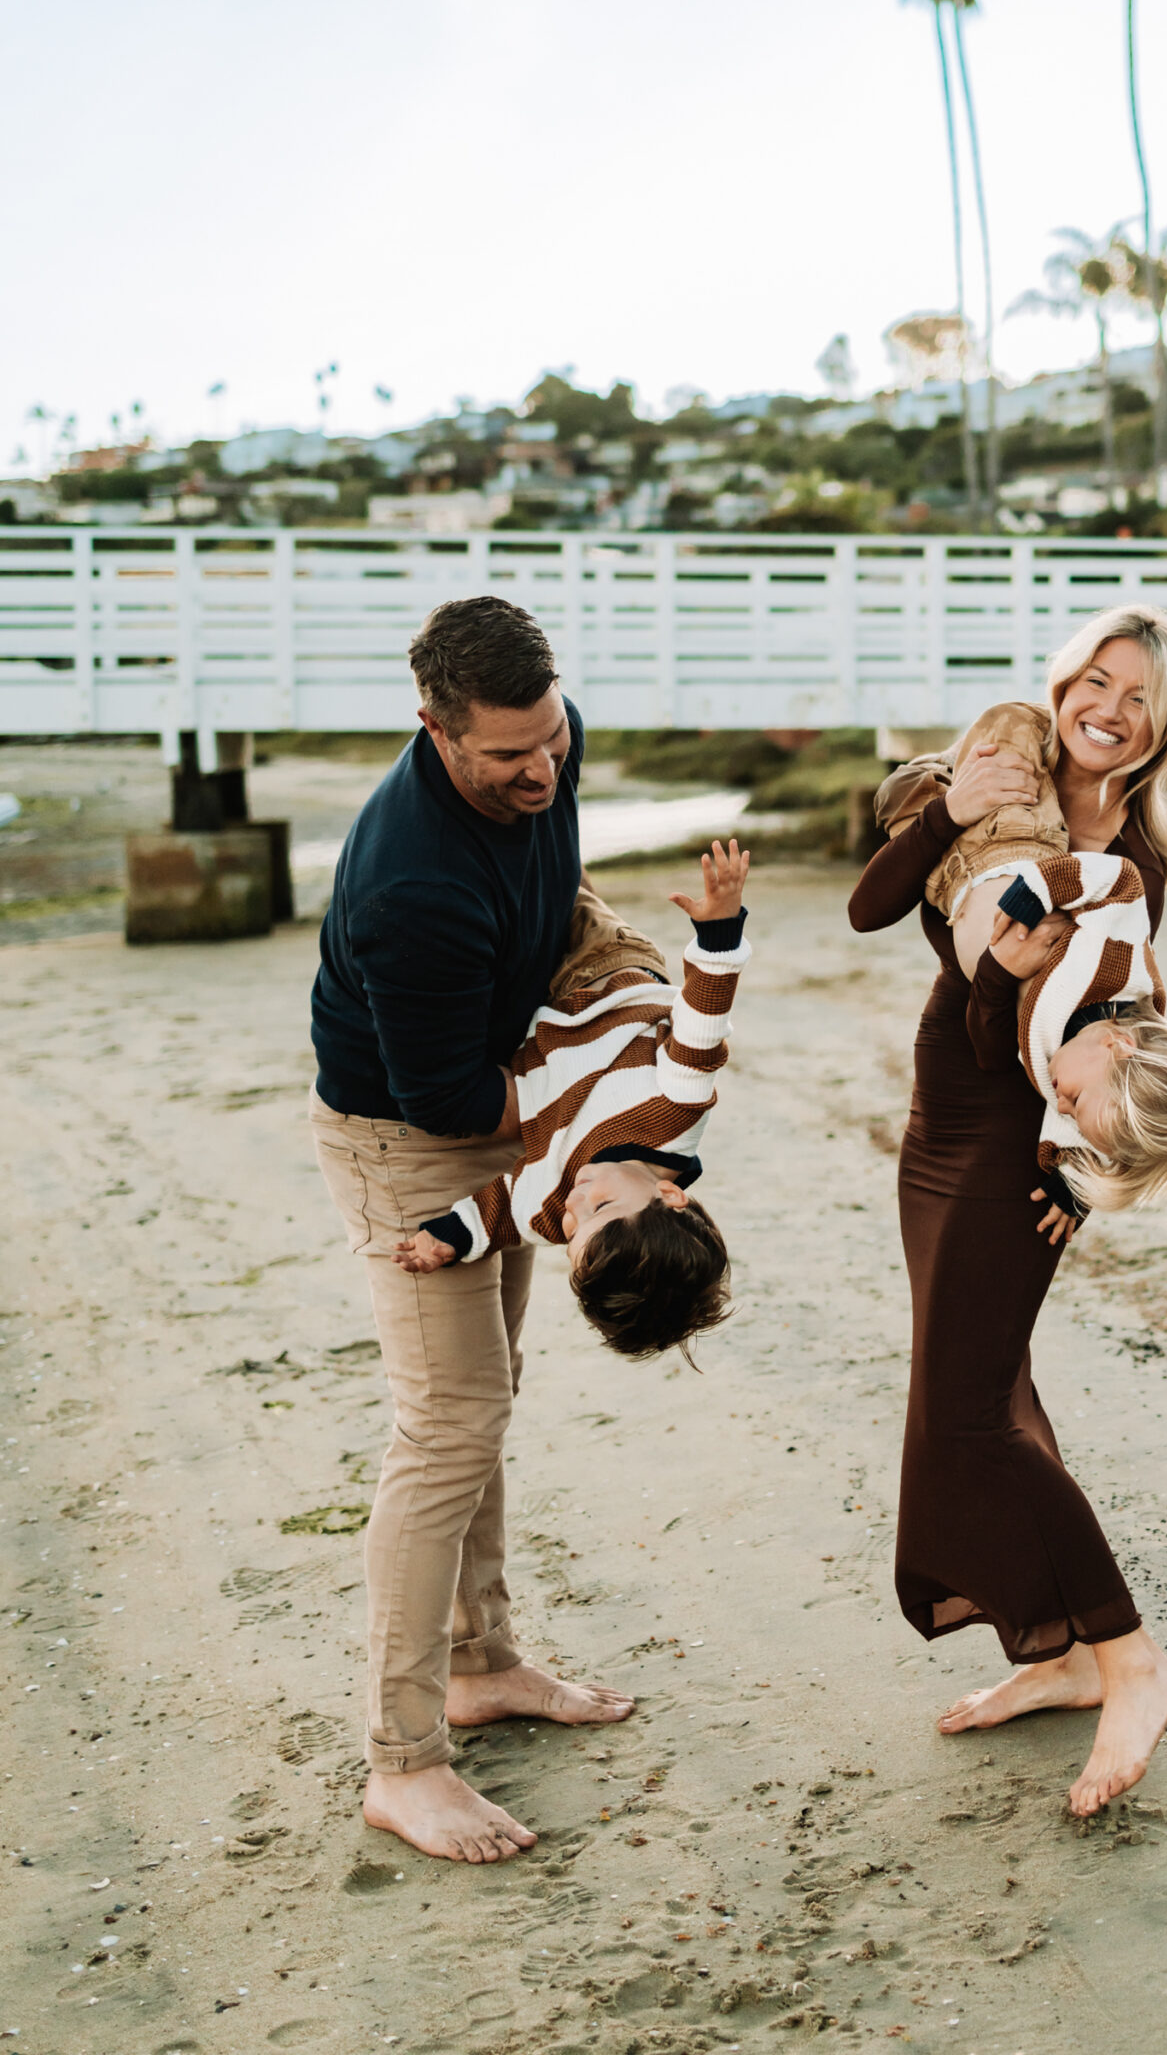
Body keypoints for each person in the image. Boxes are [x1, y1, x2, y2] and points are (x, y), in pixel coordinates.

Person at [847, 602, 1167, 1818]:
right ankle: (1059, 1652)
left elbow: (1121, 1036)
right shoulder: (999, 776)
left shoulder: (1138, 857)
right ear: (1062, 682)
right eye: (1095, 679)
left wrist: (1077, 1182)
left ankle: (1132, 1659)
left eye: (1139, 697)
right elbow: (872, 907)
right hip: (940, 1114)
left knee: (963, 1417)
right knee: (992, 1391)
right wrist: (947, 812)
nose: (1109, 709)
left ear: (1164, 727)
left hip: (1024, 1144)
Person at [309, 593, 627, 1865]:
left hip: (505, 1096)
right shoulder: (410, 884)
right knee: (445, 1427)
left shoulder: (545, 739)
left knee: (486, 1394)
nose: (542, 769)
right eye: (508, 755)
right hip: (409, 1135)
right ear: (434, 729)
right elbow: (444, 1100)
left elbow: (558, 885)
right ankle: (402, 1763)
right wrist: (591, 1097)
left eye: (551, 738)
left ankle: (482, 1662)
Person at [396, 840, 752, 1366]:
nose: (575, 1204)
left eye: (570, 1233)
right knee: (558, 884)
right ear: (669, 1195)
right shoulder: (675, 1112)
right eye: (600, 1209)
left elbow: (502, 1210)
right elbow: (702, 1028)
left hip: (534, 1016)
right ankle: (550, 826)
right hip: (603, 974)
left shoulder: (550, 1208)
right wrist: (719, 935)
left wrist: (449, 1239)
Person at [896, 702, 1167, 1227]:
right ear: (1118, 1045)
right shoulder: (1111, 963)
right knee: (989, 737)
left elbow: (1065, 1119)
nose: (1062, 1106)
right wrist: (1037, 891)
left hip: (980, 1099)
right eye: (1074, 1100)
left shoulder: (1083, 1075)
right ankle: (938, 770)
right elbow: (1121, 883)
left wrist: (1071, 1185)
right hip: (1013, 854)